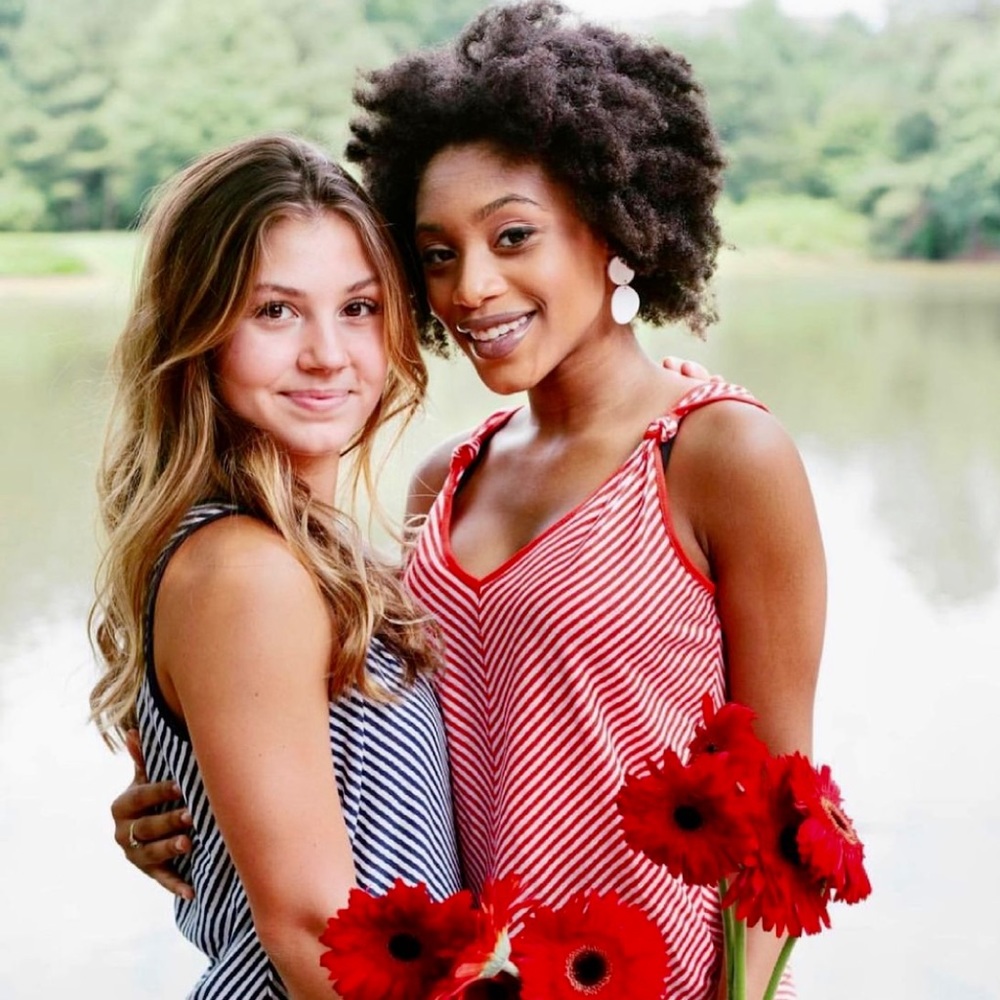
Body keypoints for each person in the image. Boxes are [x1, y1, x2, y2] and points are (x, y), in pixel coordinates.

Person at [111, 3, 825, 998]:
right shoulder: (444, 479)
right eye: (438, 253)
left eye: (513, 236)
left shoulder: (720, 454)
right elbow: (345, 747)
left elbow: (784, 812)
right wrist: (194, 787)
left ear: (613, 227)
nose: (471, 287)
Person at [88, 133, 461, 999]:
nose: (328, 353)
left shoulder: (313, 553)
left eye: (359, 307)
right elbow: (312, 936)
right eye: (275, 312)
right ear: (198, 331)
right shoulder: (245, 570)